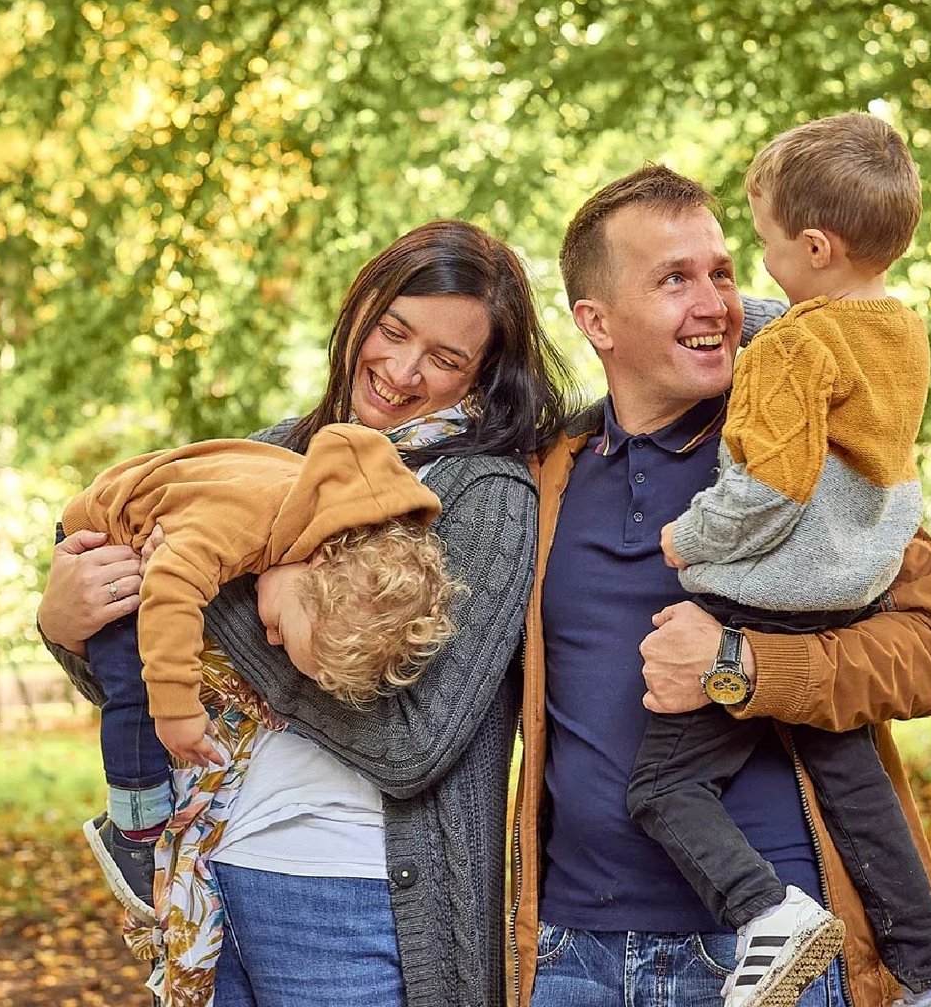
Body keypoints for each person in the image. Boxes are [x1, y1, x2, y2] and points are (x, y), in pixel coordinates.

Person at [38, 220, 567, 1007]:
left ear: (483, 376)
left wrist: (228, 600)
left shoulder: (481, 495)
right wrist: (65, 624)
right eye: (392, 330)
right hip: (214, 877)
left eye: (445, 359)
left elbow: (414, 742)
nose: (401, 370)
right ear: (361, 311)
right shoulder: (271, 452)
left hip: (354, 896)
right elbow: (163, 677)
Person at [510, 165, 931, 1007]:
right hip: (571, 952)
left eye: (722, 271)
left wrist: (741, 666)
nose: (715, 301)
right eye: (674, 279)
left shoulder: (816, 454)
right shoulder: (546, 478)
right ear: (597, 322)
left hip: (772, 960)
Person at [60, 424, 456, 922]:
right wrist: (175, 708)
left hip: (166, 515)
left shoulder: (321, 518)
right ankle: (132, 830)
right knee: (138, 687)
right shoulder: (244, 524)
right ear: (316, 571)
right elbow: (169, 587)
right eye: (284, 631)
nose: (270, 640)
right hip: (106, 531)